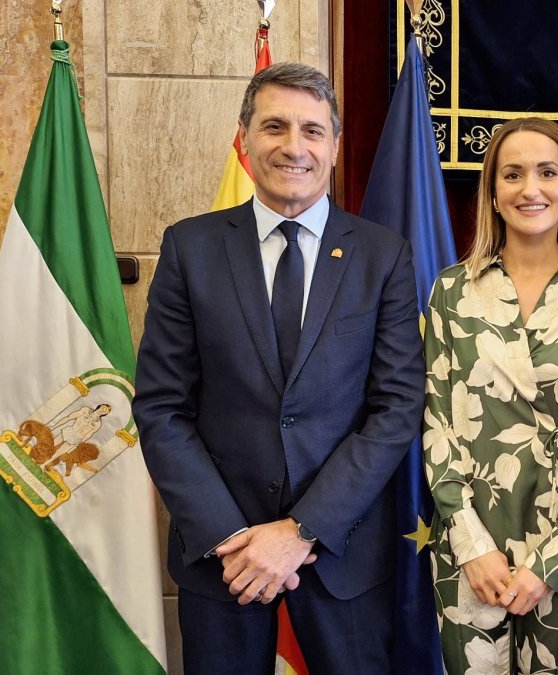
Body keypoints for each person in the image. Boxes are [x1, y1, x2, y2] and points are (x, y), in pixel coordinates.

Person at [133, 62, 424, 674]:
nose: (295, 147)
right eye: (275, 127)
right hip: (224, 560)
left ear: (337, 147)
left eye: (313, 131)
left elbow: (396, 407)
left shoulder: (382, 255)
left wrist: (300, 530)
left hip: (340, 552)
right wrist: (231, 538)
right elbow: (162, 406)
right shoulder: (190, 247)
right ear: (244, 140)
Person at [422, 117, 558, 674]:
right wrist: (472, 546)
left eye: (546, 173)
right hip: (469, 546)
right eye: (512, 174)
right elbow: (435, 424)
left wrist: (552, 560)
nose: (529, 189)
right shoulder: (450, 292)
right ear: (492, 191)